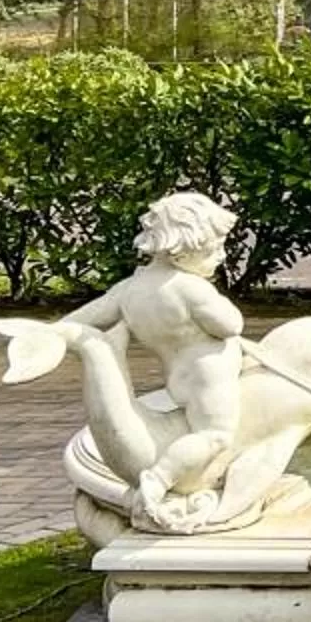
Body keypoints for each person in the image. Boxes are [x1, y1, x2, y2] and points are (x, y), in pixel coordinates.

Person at [61, 192, 248, 519]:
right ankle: (159, 480)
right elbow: (231, 325)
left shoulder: (130, 289)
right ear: (181, 252)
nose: (221, 256)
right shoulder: (191, 289)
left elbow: (85, 317)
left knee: (198, 428)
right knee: (214, 435)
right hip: (209, 376)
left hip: (180, 377)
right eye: (213, 249)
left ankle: (175, 474)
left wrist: (48, 331)